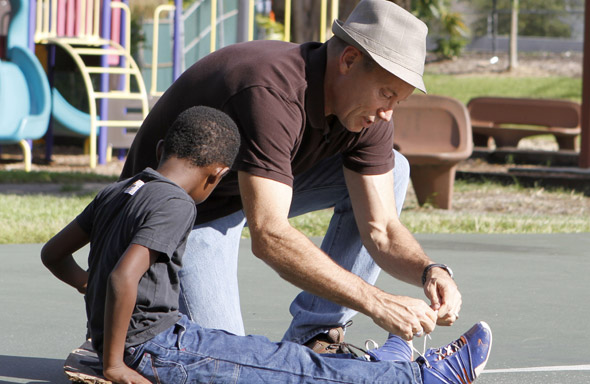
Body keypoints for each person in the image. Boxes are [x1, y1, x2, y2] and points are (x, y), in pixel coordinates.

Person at [41, 105, 493, 384]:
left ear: (163, 147)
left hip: (151, 340)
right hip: (158, 350)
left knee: (276, 358)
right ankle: (421, 378)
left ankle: (390, 363)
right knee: (288, 367)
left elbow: (53, 254)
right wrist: (117, 364)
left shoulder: (120, 190)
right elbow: (124, 276)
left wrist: (92, 288)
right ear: (217, 175)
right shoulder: (176, 204)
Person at [120, 0, 462, 351]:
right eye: (386, 94)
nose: (388, 114)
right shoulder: (270, 90)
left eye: (397, 101)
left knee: (393, 168)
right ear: (348, 60)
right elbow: (269, 234)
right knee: (227, 364)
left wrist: (430, 271)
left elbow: (383, 230)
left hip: (241, 189)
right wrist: (376, 302)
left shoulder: (368, 114)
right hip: (182, 215)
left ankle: (316, 335)